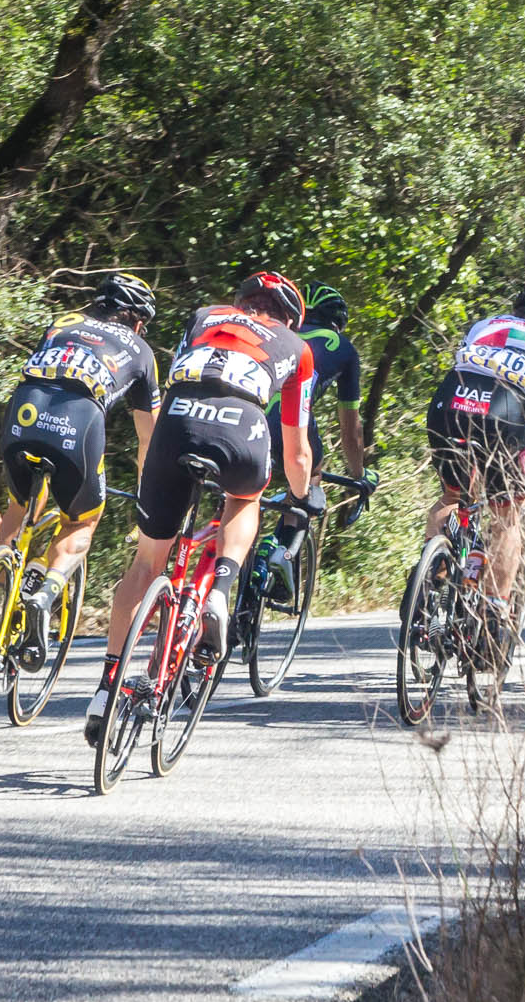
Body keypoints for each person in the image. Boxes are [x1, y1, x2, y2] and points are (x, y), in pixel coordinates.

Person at [85, 272, 314, 744]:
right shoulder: (296, 347)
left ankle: (107, 689)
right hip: (242, 424)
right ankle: (220, 591)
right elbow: (296, 450)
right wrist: (300, 495)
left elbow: (174, 381)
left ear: (242, 302)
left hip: (179, 421)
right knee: (243, 499)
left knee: (148, 561)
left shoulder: (202, 316)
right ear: (290, 317)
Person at [0, 272, 162, 652]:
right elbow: (149, 437)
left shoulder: (63, 321)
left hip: (25, 408)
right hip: (78, 420)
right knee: (83, 521)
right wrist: (147, 494)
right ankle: (47, 591)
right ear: (136, 319)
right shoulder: (141, 350)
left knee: (20, 506)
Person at [425, 279, 525, 618]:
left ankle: (429, 585)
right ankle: (494, 612)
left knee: (453, 496)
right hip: (502, 413)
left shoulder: (484, 325)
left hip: (449, 401)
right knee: (506, 516)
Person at [262, 281, 372, 592]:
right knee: (312, 471)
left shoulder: (276, 331)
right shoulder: (343, 348)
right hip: (289, 421)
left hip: (246, 415)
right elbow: (350, 432)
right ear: (338, 320)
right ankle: (283, 556)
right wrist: (359, 475)